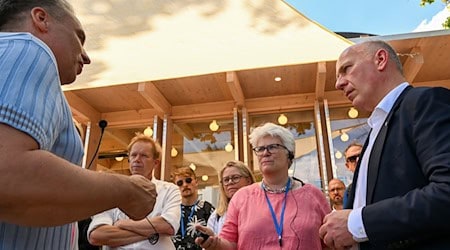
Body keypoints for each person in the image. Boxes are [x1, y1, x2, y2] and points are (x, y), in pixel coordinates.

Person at [0, 1, 157, 249]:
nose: (86, 56)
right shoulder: (28, 48)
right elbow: (6, 175)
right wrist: (126, 189)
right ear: (41, 19)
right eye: (79, 37)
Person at [319, 40, 450, 249]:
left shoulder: (425, 102)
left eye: (346, 69)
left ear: (380, 60)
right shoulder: (374, 133)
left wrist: (358, 223)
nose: (338, 84)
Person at [195, 122, 331, 249]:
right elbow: (229, 243)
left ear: (289, 155)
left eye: (273, 147)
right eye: (260, 149)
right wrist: (214, 242)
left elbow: (332, 242)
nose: (265, 153)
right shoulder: (242, 197)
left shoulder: (314, 196)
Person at [88, 134, 181, 249]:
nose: (137, 159)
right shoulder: (111, 192)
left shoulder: (169, 190)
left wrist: (122, 224)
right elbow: (97, 235)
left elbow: (168, 226)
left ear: (155, 163)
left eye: (144, 156)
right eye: (133, 155)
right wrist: (153, 233)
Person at [207, 160, 256, 234]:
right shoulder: (216, 217)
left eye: (235, 178)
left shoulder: (261, 207)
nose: (230, 182)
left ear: (248, 180)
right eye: (226, 180)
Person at [171, 166, 215, 250]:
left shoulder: (207, 208)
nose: (185, 185)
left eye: (188, 180)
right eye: (180, 183)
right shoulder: (171, 210)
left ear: (196, 182)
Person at [342, 142, 362, 207]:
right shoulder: (348, 192)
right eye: (352, 159)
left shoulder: (382, 180)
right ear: (348, 166)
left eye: (361, 156)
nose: (358, 160)